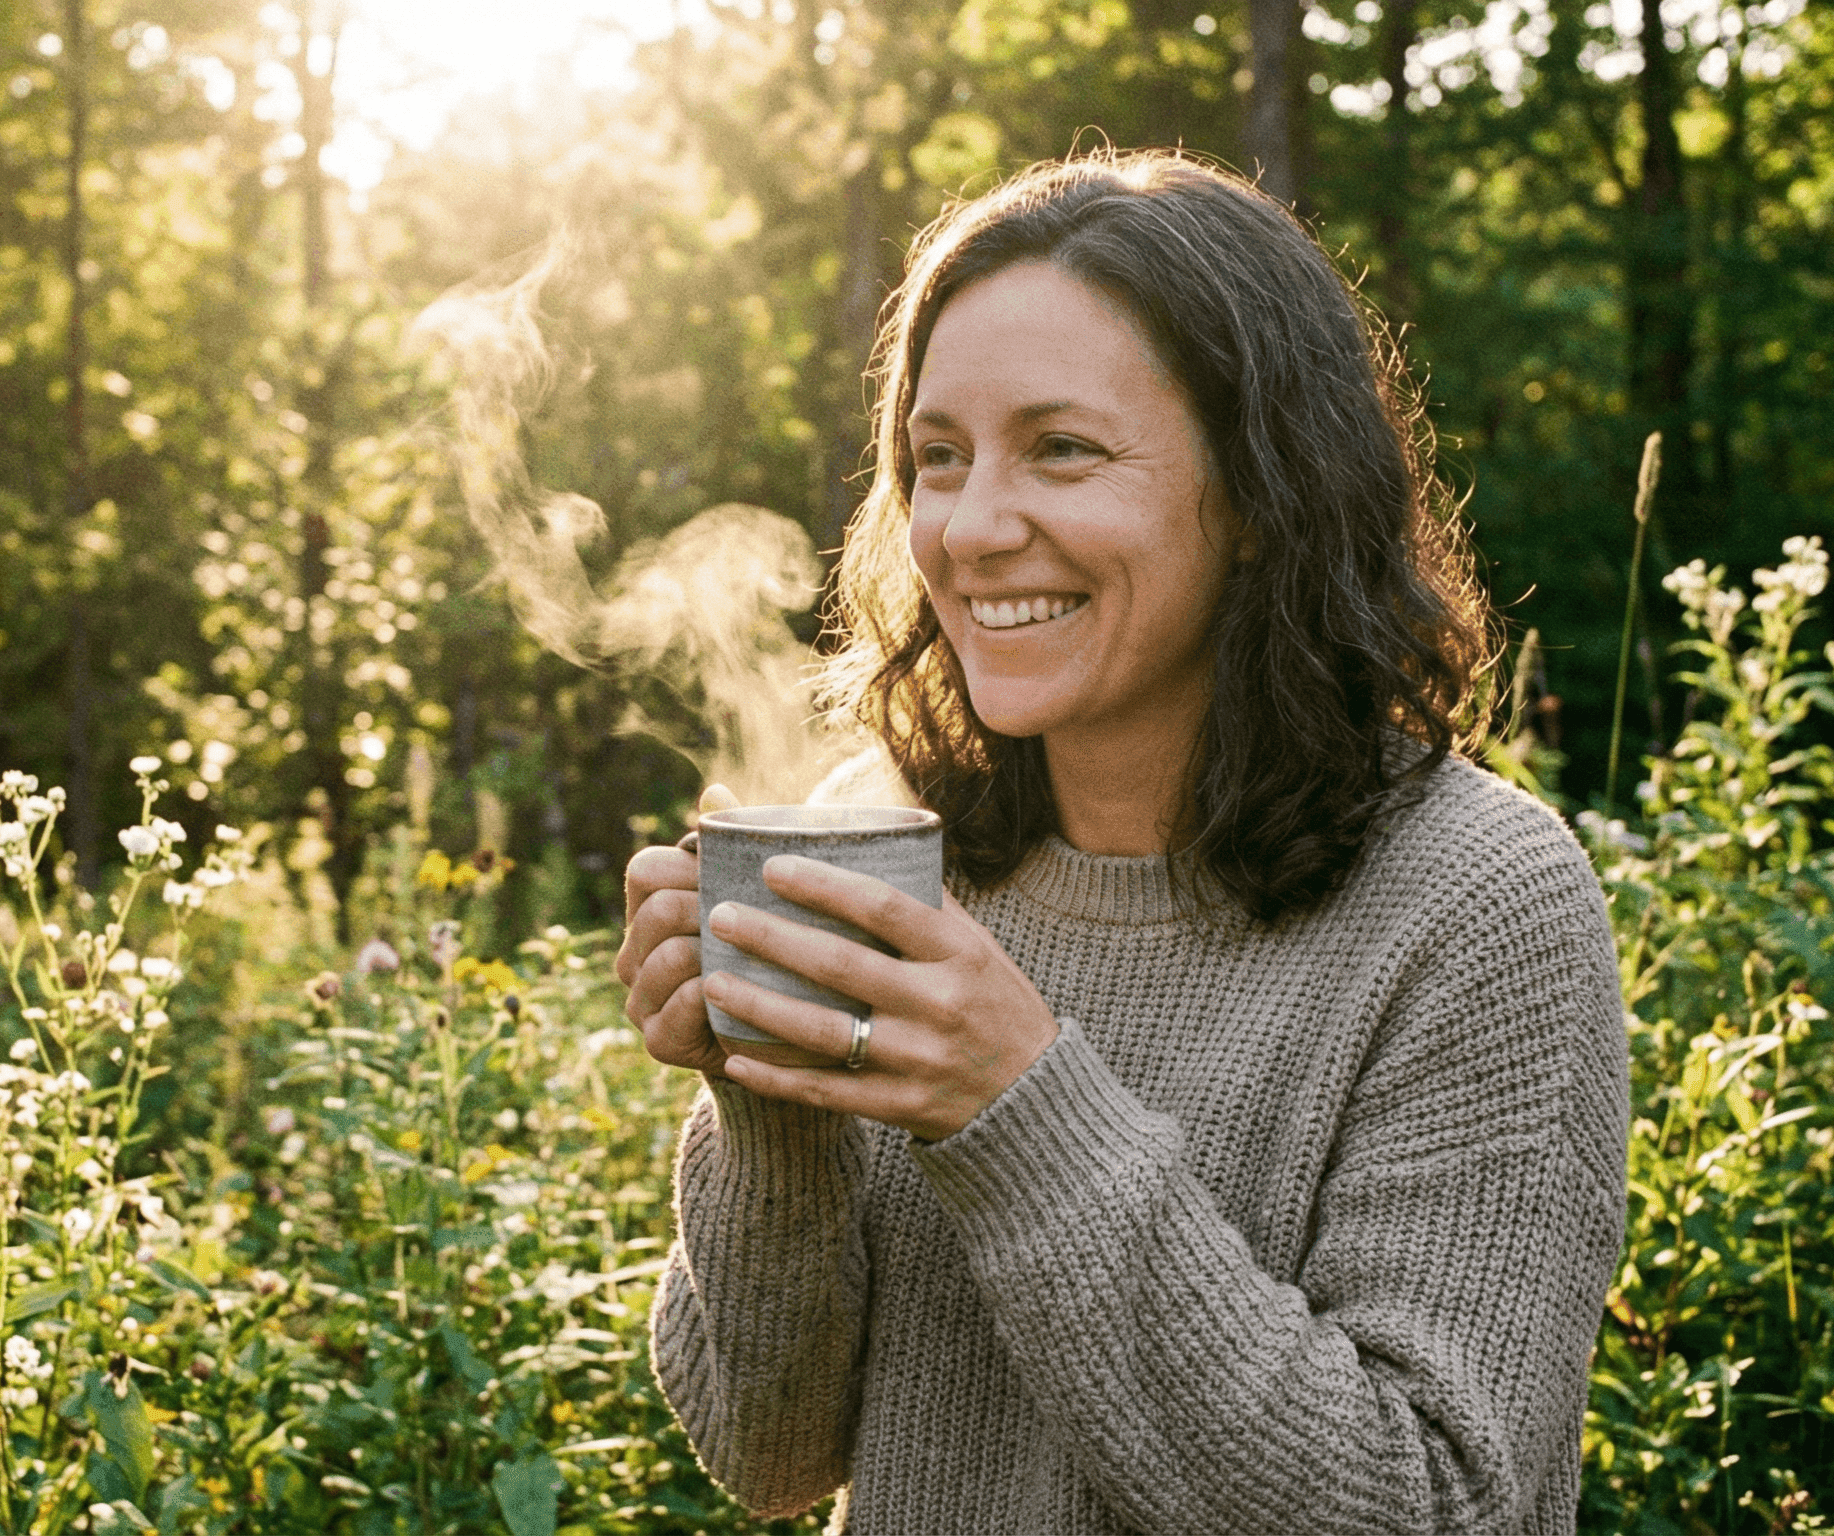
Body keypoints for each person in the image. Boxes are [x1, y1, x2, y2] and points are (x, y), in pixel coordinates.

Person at [612, 150, 1630, 1534]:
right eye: (939, 458)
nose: (973, 529)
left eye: (1063, 450)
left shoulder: (1479, 903)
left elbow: (1435, 1504)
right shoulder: (881, 837)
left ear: (1264, 493)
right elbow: (770, 1453)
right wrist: (772, 1103)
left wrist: (1017, 1106)